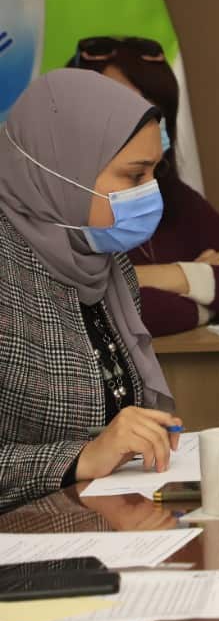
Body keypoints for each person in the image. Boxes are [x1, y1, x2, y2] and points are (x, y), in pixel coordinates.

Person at [0, 69, 183, 512]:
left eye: (154, 173)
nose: (151, 193)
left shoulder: (105, 258)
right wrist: (80, 458)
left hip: (99, 518)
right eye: (134, 177)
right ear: (63, 172)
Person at [70, 36, 219, 336]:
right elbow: (101, 312)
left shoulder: (172, 195)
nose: (142, 122)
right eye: (123, 108)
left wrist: (171, 276)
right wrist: (206, 295)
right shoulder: (50, 205)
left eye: (152, 110)